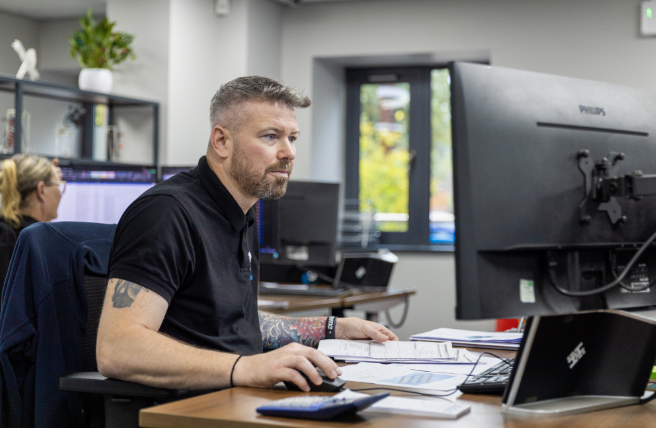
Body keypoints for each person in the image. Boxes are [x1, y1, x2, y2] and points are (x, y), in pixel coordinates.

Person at [97, 76, 398, 392]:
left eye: (292, 138)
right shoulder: (166, 213)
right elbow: (117, 349)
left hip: (236, 396)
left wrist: (332, 327)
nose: (289, 152)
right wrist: (247, 367)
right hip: (185, 408)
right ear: (222, 141)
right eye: (271, 137)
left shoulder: (242, 212)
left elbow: (236, 323)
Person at [0, 153, 64, 292]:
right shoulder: (41, 244)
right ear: (41, 190)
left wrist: (51, 176)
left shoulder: (8, 232)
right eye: (58, 185)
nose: (60, 193)